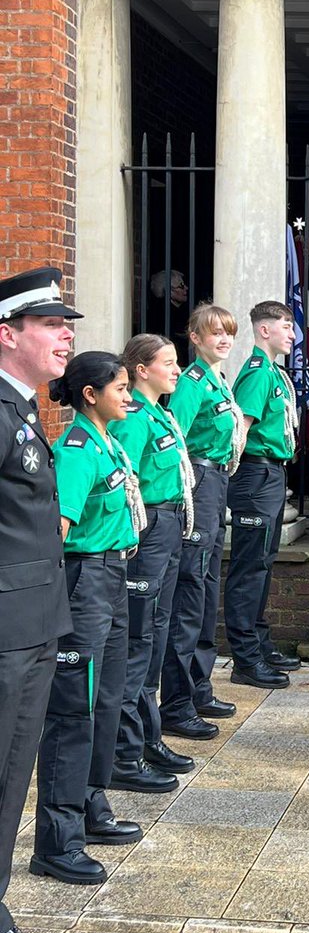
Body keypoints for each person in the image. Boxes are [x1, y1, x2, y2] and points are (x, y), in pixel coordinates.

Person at [31, 353, 144, 886]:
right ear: (91, 395)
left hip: (113, 574)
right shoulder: (76, 450)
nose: (130, 395)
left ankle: (91, 803)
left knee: (109, 696)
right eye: (121, 388)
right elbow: (58, 528)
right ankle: (57, 841)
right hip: (83, 581)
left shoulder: (109, 440)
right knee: (74, 708)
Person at [0, 266, 79, 933]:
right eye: (51, 325)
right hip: (5, 633)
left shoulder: (23, 406)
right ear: (8, 334)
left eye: (66, 325)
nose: (65, 337)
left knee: (8, 778)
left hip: (31, 625)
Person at [108, 334, 193, 794]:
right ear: (141, 369)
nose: (176, 369)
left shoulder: (161, 412)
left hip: (171, 521)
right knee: (138, 640)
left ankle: (147, 735)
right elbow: (127, 483)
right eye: (168, 362)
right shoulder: (135, 418)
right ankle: (125, 749)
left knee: (156, 635)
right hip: (150, 527)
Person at [160, 304, 244, 739]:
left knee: (207, 588)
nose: (224, 340)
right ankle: (176, 702)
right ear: (194, 338)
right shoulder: (192, 384)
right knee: (191, 591)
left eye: (229, 332)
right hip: (198, 480)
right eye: (215, 333)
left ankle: (199, 686)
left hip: (216, 481)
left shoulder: (219, 380)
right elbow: (176, 441)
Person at [223, 300, 299, 689]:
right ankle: (245, 658)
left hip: (270, 473)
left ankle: (260, 642)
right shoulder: (257, 373)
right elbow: (242, 427)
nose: (293, 334)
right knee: (250, 566)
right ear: (265, 330)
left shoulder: (272, 372)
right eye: (286, 327)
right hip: (255, 472)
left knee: (263, 562)